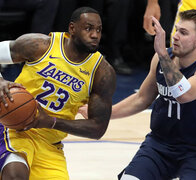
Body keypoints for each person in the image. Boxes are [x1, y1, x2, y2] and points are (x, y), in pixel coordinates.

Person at [0, 6, 116, 180]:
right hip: (13, 128)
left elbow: (97, 128)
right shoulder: (40, 45)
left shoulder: (102, 72)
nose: (95, 35)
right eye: (88, 28)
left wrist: (50, 122)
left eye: (99, 30)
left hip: (50, 144)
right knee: (15, 175)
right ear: (72, 28)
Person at [111, 9, 196, 179]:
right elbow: (141, 99)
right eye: (176, 30)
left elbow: (184, 94)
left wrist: (163, 54)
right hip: (159, 144)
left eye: (183, 33)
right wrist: (106, 114)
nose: (176, 36)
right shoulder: (161, 58)